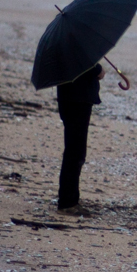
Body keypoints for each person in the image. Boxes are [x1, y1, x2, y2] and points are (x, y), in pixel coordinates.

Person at [56, 63, 104, 214]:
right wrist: (98, 69)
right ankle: (67, 202)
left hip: (69, 97)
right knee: (75, 151)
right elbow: (85, 67)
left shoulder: (66, 45)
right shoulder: (76, 46)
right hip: (78, 100)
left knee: (74, 150)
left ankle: (69, 199)